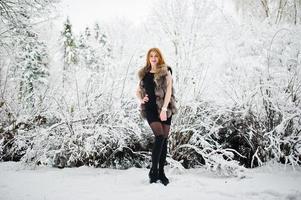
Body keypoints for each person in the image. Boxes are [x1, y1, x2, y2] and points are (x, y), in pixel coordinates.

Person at [136, 48, 177, 185]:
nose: (153, 58)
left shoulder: (166, 71)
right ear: (148, 58)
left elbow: (169, 91)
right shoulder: (144, 74)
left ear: (160, 58)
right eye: (151, 56)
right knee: (159, 137)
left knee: (164, 140)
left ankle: (161, 172)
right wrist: (141, 99)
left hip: (165, 108)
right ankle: (153, 170)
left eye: (156, 56)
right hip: (151, 110)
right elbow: (137, 90)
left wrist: (164, 109)